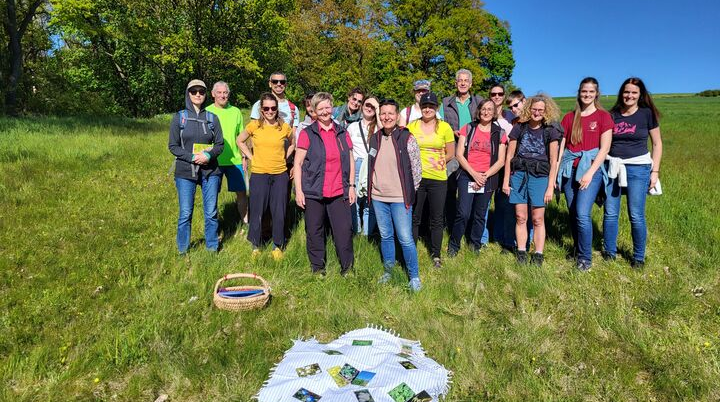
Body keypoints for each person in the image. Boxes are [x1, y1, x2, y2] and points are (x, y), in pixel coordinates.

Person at [603, 77, 663, 269]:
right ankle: (609, 252)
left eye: (634, 92)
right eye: (626, 92)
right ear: (622, 93)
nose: (629, 95)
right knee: (610, 213)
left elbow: (657, 143)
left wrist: (655, 171)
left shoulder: (646, 114)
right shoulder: (612, 115)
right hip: (614, 167)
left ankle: (638, 257)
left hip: (639, 168)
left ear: (640, 95)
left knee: (636, 214)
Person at [294, 92, 356, 275]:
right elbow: (297, 164)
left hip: (339, 190)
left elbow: (351, 160)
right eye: (320, 108)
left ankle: (347, 269)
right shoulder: (307, 134)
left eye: (327, 107)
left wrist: (351, 186)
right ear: (313, 111)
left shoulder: (342, 132)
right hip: (314, 191)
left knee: (344, 231)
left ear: (332, 107)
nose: (324, 112)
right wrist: (299, 191)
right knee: (314, 231)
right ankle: (318, 268)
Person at [557, 77, 613, 271]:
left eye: (591, 91)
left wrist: (590, 173)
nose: (587, 95)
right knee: (572, 213)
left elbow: (604, 149)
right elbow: (562, 148)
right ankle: (577, 248)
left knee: (582, 213)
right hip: (570, 169)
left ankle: (585, 258)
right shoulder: (569, 117)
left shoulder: (604, 117)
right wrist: (556, 172)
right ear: (579, 93)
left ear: (596, 93)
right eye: (584, 91)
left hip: (591, 170)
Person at [367, 99, 423, 292]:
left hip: (400, 199)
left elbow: (417, 170)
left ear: (397, 115)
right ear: (379, 115)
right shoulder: (374, 138)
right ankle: (389, 271)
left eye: (390, 113)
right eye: (383, 113)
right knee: (386, 236)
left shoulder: (407, 138)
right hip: (378, 197)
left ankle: (414, 276)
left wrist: (409, 191)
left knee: (405, 238)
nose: (386, 117)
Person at [503, 94, 563, 266]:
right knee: (520, 216)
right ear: (529, 109)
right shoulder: (519, 128)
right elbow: (509, 156)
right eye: (534, 109)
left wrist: (551, 185)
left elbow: (553, 160)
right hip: (519, 175)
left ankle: (538, 253)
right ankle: (521, 251)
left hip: (540, 177)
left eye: (541, 110)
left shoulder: (550, 130)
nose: (537, 113)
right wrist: (506, 180)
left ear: (546, 112)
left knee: (537, 219)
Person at [168, 79, 224, 253]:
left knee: (211, 212)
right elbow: (173, 146)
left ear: (206, 94)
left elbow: (220, 144)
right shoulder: (180, 117)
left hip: (210, 171)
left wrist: (208, 155)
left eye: (201, 91)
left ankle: (212, 248)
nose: (198, 94)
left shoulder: (212, 118)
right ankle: (182, 250)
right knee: (185, 213)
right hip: (185, 171)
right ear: (188, 94)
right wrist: (192, 157)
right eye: (194, 91)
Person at [237, 92, 293, 260]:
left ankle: (277, 246)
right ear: (261, 110)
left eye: (273, 108)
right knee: (257, 209)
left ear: (277, 109)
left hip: (280, 174)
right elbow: (240, 140)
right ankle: (255, 245)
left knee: (279, 210)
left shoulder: (284, 127)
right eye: (266, 108)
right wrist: (251, 156)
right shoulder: (254, 126)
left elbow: (293, 143)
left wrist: (286, 157)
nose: (270, 111)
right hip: (260, 174)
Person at [449, 99, 507, 256]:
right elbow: (459, 154)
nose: (486, 112)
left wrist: (484, 176)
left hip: (487, 178)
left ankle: (475, 244)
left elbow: (501, 161)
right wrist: (474, 174)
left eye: (490, 109)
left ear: (494, 112)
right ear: (479, 111)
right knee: (463, 212)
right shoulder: (468, 128)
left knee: (480, 214)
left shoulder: (499, 133)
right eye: (483, 109)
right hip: (467, 175)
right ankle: (454, 245)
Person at [406, 92, 455, 268]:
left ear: (436, 108)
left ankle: (436, 255)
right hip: (416, 178)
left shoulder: (445, 128)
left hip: (438, 178)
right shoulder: (411, 126)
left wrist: (441, 161)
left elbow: (451, 152)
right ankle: (410, 251)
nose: (428, 109)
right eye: (425, 106)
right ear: (421, 107)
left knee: (436, 218)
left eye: (431, 106)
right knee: (415, 216)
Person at [441, 69, 484, 230]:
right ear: (456, 83)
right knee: (450, 187)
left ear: (471, 84)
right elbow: (441, 125)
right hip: (452, 149)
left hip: (473, 152)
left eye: (466, 80)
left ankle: (471, 226)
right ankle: (451, 225)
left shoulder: (479, 101)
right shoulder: (446, 102)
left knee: (473, 189)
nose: (463, 83)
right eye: (460, 80)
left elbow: (485, 122)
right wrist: (452, 132)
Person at [206, 81, 248, 232]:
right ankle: (214, 229)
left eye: (225, 93)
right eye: (220, 92)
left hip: (235, 160)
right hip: (213, 161)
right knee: (211, 196)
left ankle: (246, 224)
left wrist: (244, 157)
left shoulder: (236, 111)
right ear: (213, 94)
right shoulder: (207, 112)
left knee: (242, 193)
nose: (223, 95)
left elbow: (240, 136)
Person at [347, 96, 380, 235]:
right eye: (367, 104)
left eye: (373, 107)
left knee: (368, 203)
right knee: (354, 201)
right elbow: (348, 149)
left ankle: (367, 235)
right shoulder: (353, 126)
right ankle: (356, 230)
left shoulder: (379, 127)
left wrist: (378, 110)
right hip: (356, 165)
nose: (369, 108)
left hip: (372, 166)